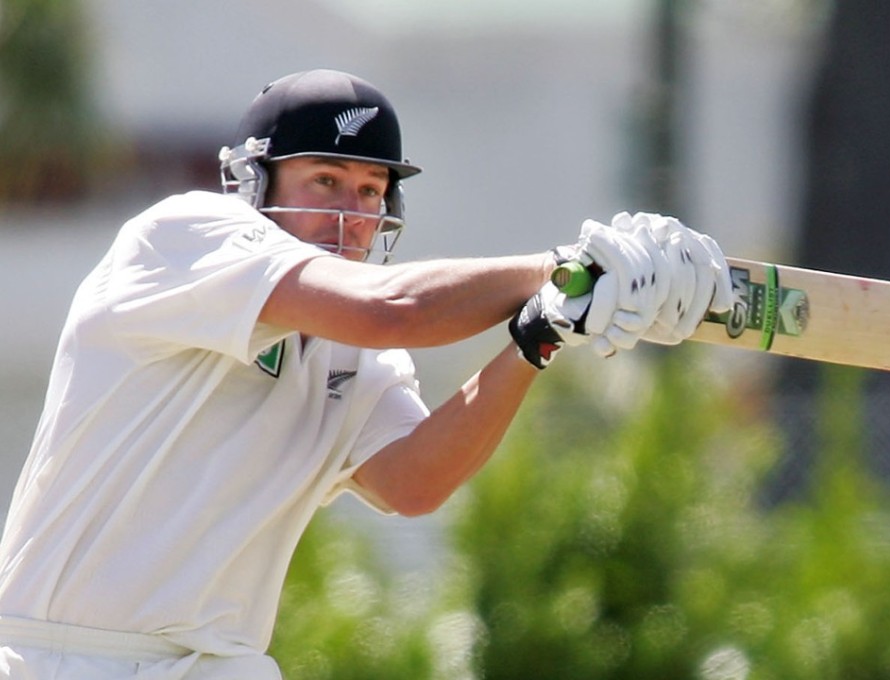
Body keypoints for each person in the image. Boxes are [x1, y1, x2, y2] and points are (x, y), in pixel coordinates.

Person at [0, 69, 732, 679]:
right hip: (59, 659)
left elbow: (411, 481)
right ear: (253, 180)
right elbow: (391, 308)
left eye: (370, 192)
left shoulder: (355, 348)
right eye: (325, 180)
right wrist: (564, 268)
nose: (350, 217)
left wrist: (539, 333)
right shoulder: (183, 238)